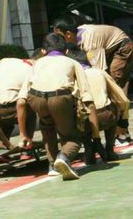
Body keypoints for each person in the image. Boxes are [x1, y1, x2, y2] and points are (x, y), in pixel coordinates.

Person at [26, 33, 100, 181]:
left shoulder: (37, 63)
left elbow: (24, 93)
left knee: (46, 127)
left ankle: (52, 165)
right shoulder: (72, 63)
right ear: (66, 51)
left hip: (35, 98)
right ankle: (64, 157)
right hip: (59, 98)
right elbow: (86, 96)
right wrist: (96, 135)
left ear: (43, 51)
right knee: (72, 137)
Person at [53, 14, 133, 142]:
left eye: (59, 38)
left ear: (68, 34)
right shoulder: (77, 37)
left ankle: (121, 133)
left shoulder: (90, 43)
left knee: (113, 87)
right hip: (108, 49)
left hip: (121, 48)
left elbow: (99, 73)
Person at [70, 48, 130, 164]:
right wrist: (124, 119)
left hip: (86, 121)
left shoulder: (72, 76)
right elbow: (122, 98)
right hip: (105, 116)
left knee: (78, 115)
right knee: (113, 107)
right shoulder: (99, 72)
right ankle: (109, 149)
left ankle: (89, 150)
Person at [0, 56, 36, 152]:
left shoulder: (6, 61)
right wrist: (22, 134)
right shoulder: (32, 70)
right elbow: (21, 103)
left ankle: (1, 146)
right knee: (31, 112)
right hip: (9, 107)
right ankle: (26, 146)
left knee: (6, 122)